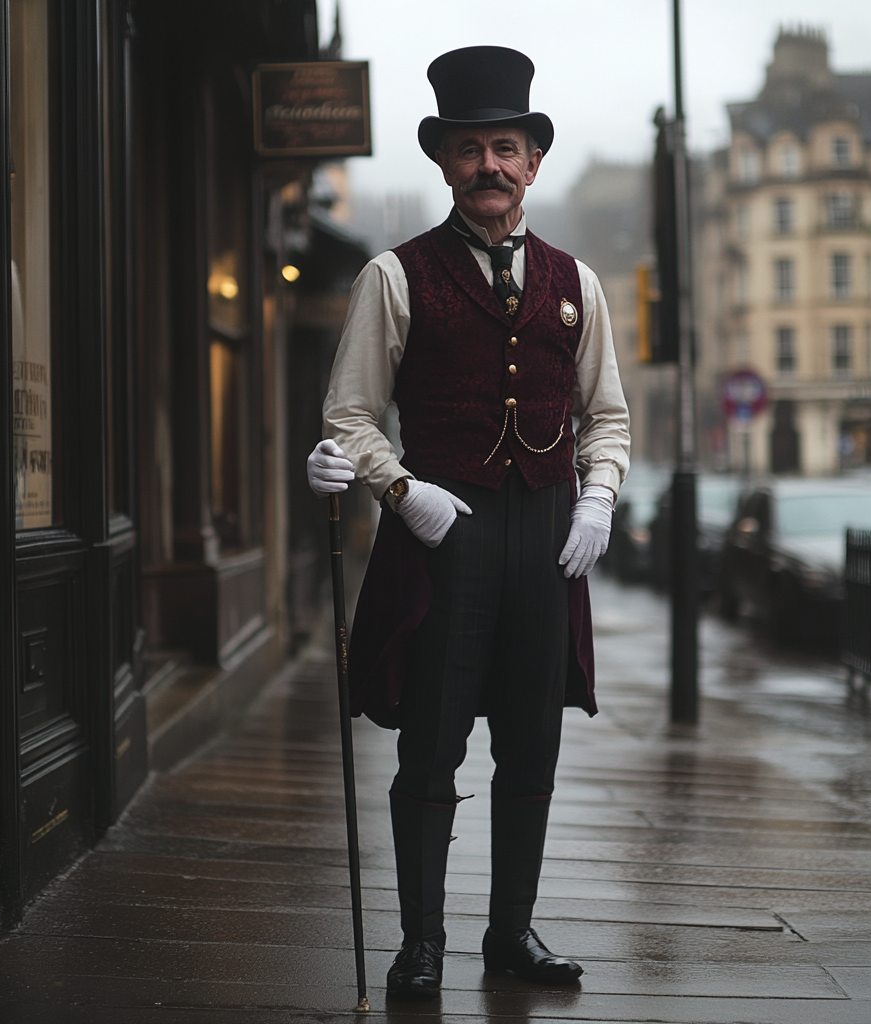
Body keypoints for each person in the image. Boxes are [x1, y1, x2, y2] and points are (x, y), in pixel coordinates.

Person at [307, 45, 630, 1000]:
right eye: (470, 151)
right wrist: (403, 492)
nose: (490, 166)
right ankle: (422, 944)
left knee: (531, 738)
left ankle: (511, 932)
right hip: (442, 533)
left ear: (533, 163)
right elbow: (348, 416)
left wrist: (601, 494)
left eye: (507, 148)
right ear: (444, 164)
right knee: (433, 743)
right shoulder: (393, 277)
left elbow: (604, 413)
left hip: (546, 534)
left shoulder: (579, 282)